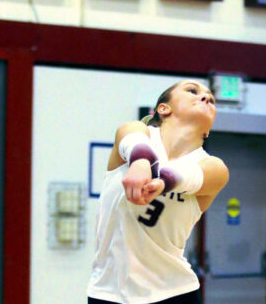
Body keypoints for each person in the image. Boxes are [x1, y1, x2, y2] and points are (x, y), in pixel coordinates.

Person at [87, 80, 229, 304]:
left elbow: (189, 175)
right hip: (108, 292)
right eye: (192, 91)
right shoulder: (135, 132)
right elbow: (132, 140)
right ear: (164, 108)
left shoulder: (214, 167)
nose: (205, 98)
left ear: (208, 128)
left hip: (174, 292)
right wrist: (141, 162)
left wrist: (162, 183)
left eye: (211, 99)